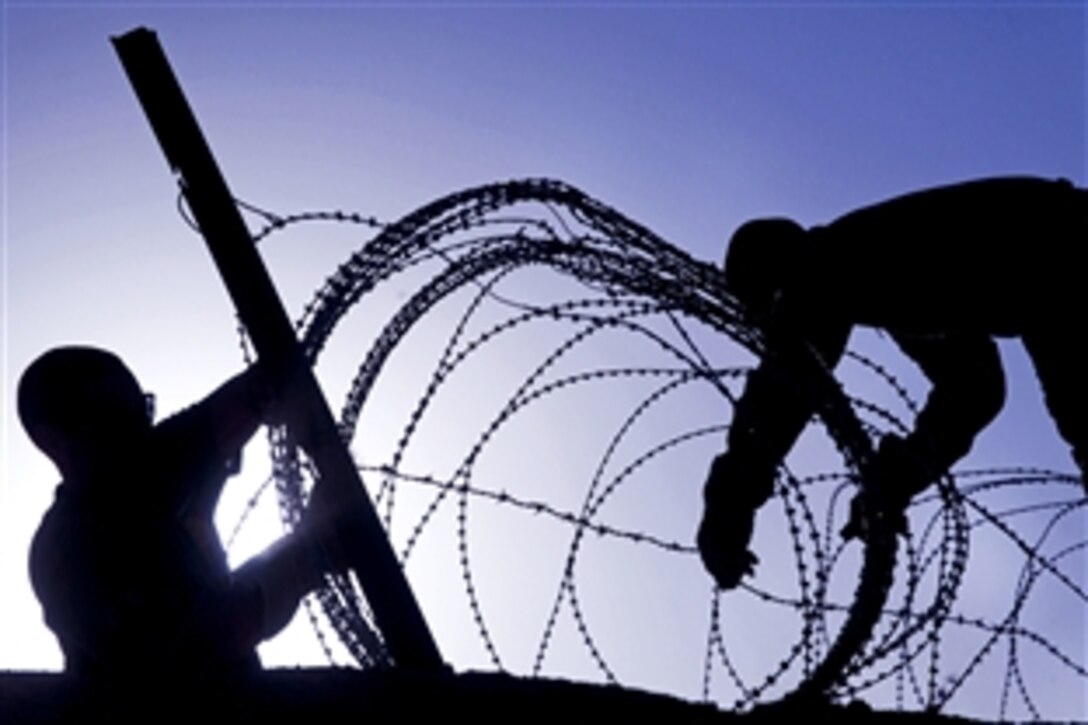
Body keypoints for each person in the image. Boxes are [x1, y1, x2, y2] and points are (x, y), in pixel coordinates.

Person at [698, 176, 1088, 591]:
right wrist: (898, 477)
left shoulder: (841, 263)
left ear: (779, 282)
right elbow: (976, 389)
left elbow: (782, 394)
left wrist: (728, 509)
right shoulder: (892, 275)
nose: (777, 329)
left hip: (1065, 248)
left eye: (771, 310)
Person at [19, 346, 343, 707]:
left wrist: (275, 394)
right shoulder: (69, 552)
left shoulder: (143, 466)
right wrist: (310, 555)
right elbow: (211, 636)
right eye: (116, 420)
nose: (142, 427)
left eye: (144, 408)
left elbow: (227, 413)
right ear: (54, 441)